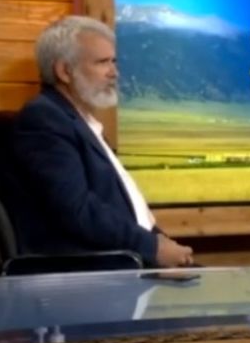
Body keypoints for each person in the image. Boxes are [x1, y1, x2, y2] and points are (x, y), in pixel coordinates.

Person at [10, 16, 195, 268]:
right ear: (64, 71)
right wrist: (153, 248)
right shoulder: (44, 119)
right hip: (94, 273)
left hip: (130, 260)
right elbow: (77, 211)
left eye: (114, 61)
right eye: (102, 62)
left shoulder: (82, 121)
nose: (114, 73)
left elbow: (118, 206)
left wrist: (160, 242)